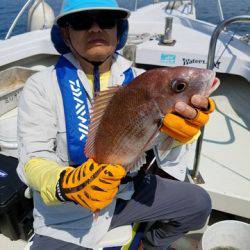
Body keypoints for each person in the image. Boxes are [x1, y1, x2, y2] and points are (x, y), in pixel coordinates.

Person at [17, 0, 215, 249]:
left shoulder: (145, 81)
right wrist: (65, 184)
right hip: (66, 214)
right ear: (66, 33)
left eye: (107, 20)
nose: (95, 29)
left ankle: (150, 245)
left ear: (119, 29)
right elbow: (32, 159)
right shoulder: (41, 86)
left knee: (198, 204)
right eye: (82, 22)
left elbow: (164, 153)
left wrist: (181, 135)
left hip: (129, 192)